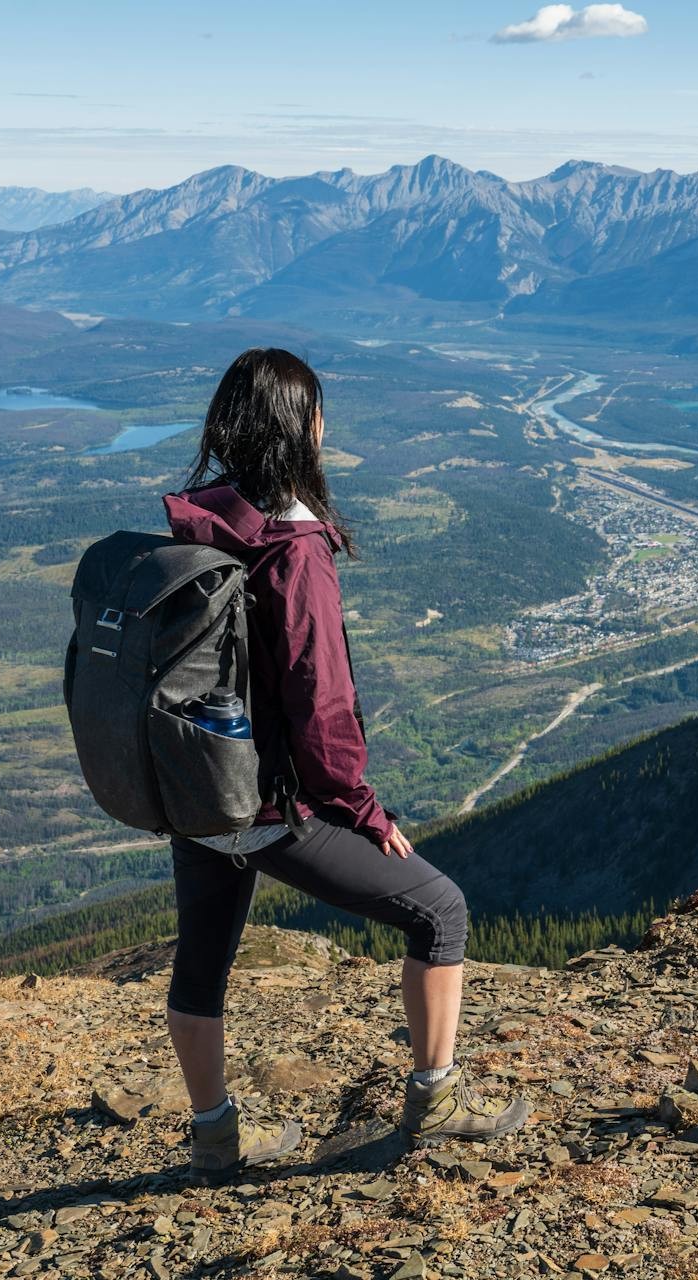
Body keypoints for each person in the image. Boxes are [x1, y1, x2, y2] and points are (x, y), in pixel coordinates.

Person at [160, 347, 529, 1179]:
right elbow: (322, 710)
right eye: (318, 413)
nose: (326, 426)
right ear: (300, 428)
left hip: (198, 792)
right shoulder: (294, 550)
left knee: (202, 963)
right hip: (268, 806)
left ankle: (215, 1138)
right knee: (440, 910)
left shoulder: (200, 520)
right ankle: (435, 1099)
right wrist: (364, 810)